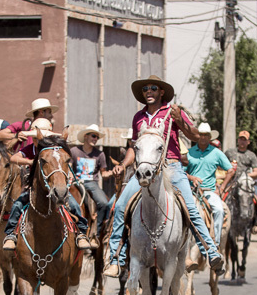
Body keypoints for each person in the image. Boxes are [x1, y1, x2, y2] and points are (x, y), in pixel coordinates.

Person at [105, 76, 226, 277]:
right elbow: (134, 147)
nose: (149, 91)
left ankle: (211, 252)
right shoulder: (138, 117)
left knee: (191, 208)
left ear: (161, 92)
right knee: (119, 207)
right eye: (145, 89)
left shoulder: (172, 111)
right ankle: (116, 259)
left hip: (172, 166)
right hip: (144, 168)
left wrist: (180, 120)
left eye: (153, 88)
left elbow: (195, 136)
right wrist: (123, 165)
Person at [0, 102, 91, 252]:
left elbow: (64, 162)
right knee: (18, 204)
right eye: (36, 138)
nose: (39, 140)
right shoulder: (30, 148)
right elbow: (13, 158)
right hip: (35, 187)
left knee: (74, 204)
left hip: (53, 184)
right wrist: (30, 161)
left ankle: (81, 233)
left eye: (42, 137)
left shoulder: (53, 150)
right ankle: (11, 234)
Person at [186, 122, 235, 246]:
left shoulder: (216, 153)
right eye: (201, 134)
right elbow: (180, 170)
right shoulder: (189, 152)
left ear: (210, 137)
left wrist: (221, 188)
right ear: (197, 136)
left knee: (219, 210)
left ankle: (215, 243)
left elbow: (230, 170)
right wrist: (191, 177)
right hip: (190, 190)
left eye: (206, 135)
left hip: (209, 191)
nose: (203, 137)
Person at [70, 124, 110, 236]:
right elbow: (69, 168)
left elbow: (104, 173)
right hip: (76, 182)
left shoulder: (100, 154)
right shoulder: (74, 151)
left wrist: (114, 172)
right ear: (86, 136)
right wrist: (70, 176)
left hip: (91, 183)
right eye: (93, 136)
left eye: (97, 137)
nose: (95, 139)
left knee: (104, 203)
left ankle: (96, 233)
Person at [227, 130, 257, 226]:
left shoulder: (252, 155)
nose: (242, 141)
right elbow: (220, 166)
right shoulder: (230, 152)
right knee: (221, 198)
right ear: (238, 140)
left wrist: (245, 176)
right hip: (232, 182)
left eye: (245, 140)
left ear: (248, 142)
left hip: (246, 184)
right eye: (241, 139)